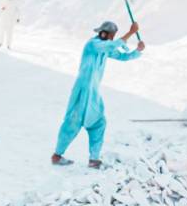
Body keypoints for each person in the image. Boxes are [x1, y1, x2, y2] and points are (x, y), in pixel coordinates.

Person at [51, 21, 145, 169]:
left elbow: (122, 56)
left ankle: (94, 159)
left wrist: (137, 51)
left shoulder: (105, 47)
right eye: (111, 36)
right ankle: (57, 155)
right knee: (72, 123)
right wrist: (130, 33)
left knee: (98, 123)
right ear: (103, 33)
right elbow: (110, 46)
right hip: (82, 91)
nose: (112, 39)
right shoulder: (93, 44)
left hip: (93, 92)